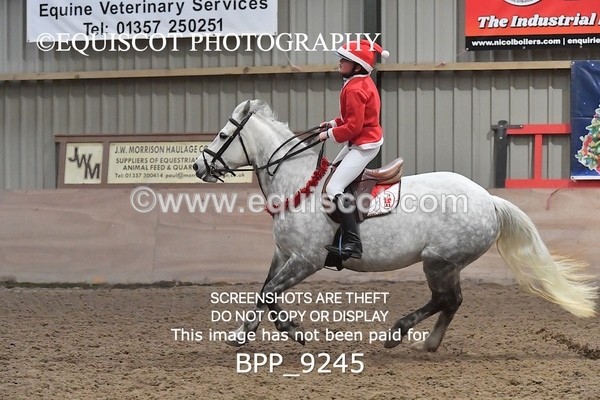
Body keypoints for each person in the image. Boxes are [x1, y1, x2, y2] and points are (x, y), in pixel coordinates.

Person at [319, 39, 389, 260]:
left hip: (364, 144)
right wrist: (333, 122)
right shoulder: (358, 82)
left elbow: (354, 127)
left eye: (345, 60)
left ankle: (353, 243)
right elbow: (352, 118)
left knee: (333, 188)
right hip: (360, 140)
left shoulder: (356, 88)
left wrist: (329, 134)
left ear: (357, 66)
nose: (340, 62)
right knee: (333, 173)